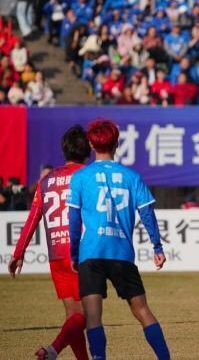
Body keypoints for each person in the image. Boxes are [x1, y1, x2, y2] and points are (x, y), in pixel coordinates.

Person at [68, 119, 170, 360]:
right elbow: (147, 213)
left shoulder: (81, 177)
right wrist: (157, 246)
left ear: (91, 144)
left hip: (91, 253)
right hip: (121, 253)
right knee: (142, 309)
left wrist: (74, 253)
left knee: (93, 317)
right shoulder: (131, 176)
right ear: (117, 143)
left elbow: (73, 219)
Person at [8, 126, 91, 360]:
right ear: (88, 151)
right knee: (86, 314)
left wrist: (18, 252)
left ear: (64, 150)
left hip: (57, 255)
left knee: (73, 316)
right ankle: (52, 350)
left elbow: (33, 217)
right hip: (81, 252)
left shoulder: (47, 179)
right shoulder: (89, 176)